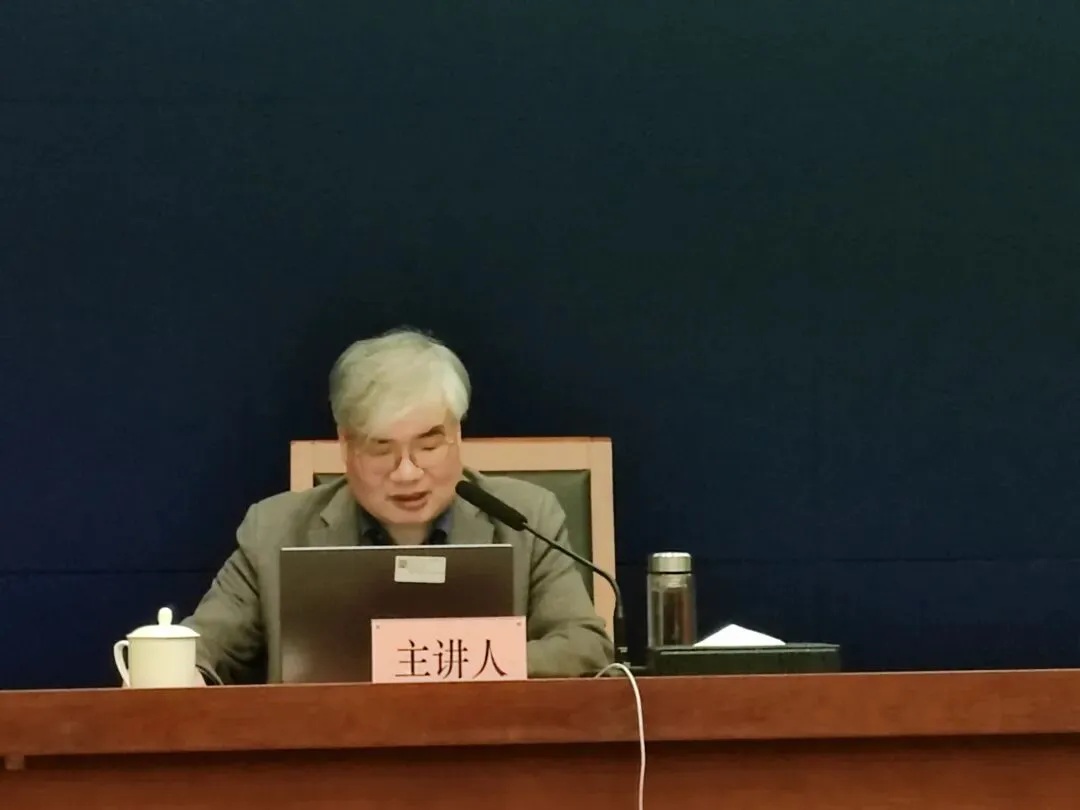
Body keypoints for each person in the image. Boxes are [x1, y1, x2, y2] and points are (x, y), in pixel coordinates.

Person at [181, 327, 613, 684]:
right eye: (381, 448)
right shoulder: (274, 530)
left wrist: (453, 662)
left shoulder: (526, 518)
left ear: (457, 436)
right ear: (345, 446)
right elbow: (198, 648)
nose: (407, 472)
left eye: (428, 445)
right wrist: (184, 673)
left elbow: (585, 646)